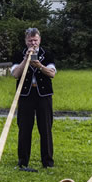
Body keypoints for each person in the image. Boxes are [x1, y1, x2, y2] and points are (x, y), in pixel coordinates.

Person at [11, 27, 56, 172]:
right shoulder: (19, 55)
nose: (33, 43)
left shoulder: (46, 54)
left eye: (35, 40)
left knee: (45, 128)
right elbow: (16, 74)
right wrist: (26, 60)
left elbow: (52, 73)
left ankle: (47, 162)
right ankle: (23, 161)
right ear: (26, 41)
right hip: (25, 96)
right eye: (30, 41)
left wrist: (39, 65)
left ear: (40, 40)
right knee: (24, 128)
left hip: (43, 95)